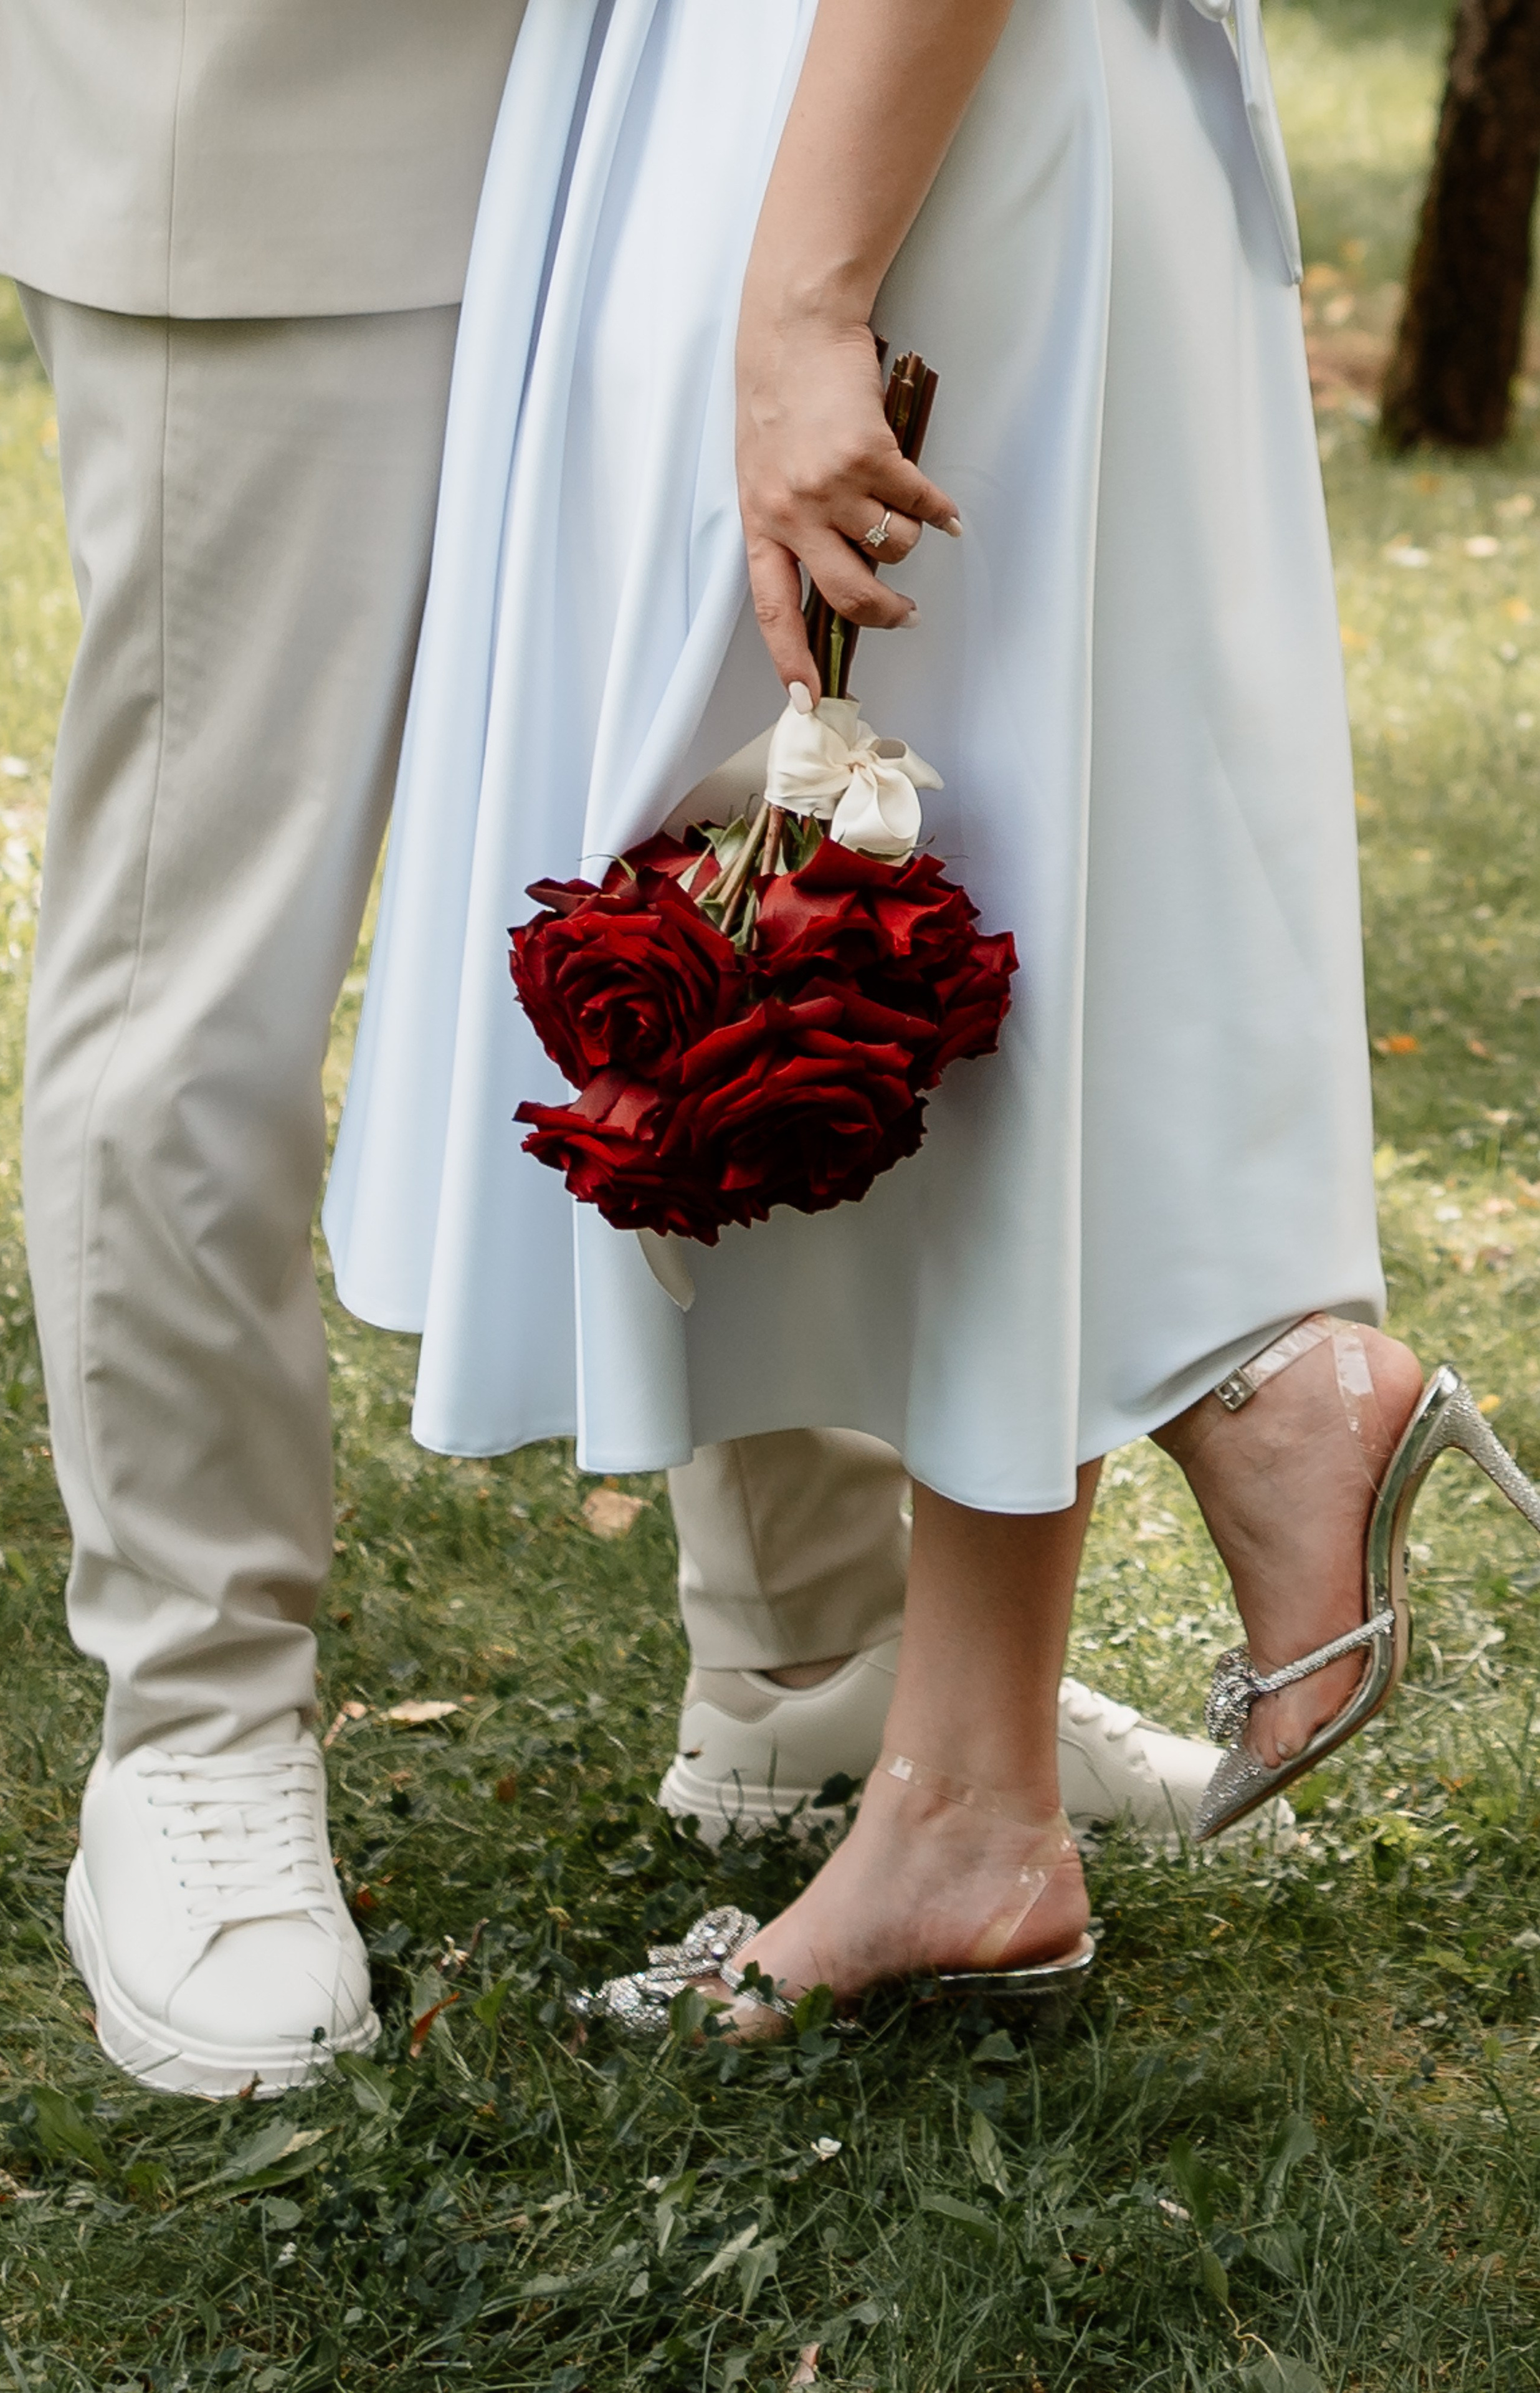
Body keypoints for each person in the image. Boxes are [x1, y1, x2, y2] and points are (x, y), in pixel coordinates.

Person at [0, 0, 1209, 2099]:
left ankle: (808, 1646)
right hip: (276, 104)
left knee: (723, 874)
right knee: (211, 942)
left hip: (687, 112)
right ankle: (196, 1710)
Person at [325, 0, 1540, 2027]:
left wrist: (809, 287)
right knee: (957, 846)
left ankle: (1209, 1459)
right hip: (823, 101)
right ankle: (1012, 1741)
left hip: (876, 116)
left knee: (917, 857)